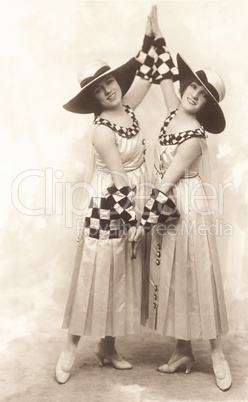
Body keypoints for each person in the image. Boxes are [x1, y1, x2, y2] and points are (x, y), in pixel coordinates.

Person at [55, 13, 156, 384]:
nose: (109, 90)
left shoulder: (127, 106)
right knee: (97, 273)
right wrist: (134, 221)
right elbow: (117, 178)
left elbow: (146, 75)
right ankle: (71, 346)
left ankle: (107, 347)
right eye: (99, 89)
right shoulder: (101, 131)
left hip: (133, 194)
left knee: (121, 274)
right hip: (110, 201)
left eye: (110, 81)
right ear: (93, 98)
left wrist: (149, 39)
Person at [138, 6, 232, 391]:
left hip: (185, 206)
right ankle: (182, 350)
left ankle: (217, 352)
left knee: (195, 273)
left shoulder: (195, 138)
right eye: (193, 86)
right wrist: (156, 37)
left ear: (208, 106)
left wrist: (142, 221)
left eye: (203, 94)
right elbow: (164, 74)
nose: (194, 94)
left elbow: (167, 183)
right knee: (173, 274)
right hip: (167, 206)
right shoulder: (173, 109)